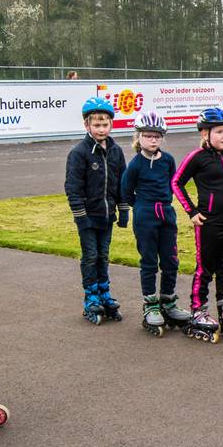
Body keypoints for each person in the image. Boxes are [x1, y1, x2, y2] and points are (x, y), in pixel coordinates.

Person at [172, 108, 223, 343]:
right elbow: (177, 182)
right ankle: (198, 311)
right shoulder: (197, 157)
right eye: (220, 131)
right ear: (205, 133)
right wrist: (192, 212)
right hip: (209, 223)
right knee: (204, 268)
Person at [119, 112, 191, 337]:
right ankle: (150, 303)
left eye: (157, 136)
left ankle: (168, 301)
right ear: (138, 137)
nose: (153, 140)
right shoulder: (135, 164)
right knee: (149, 261)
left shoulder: (168, 160)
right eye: (148, 136)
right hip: (145, 214)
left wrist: (164, 204)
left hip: (166, 214)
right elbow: (125, 191)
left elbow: (172, 182)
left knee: (170, 260)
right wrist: (141, 207)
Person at [65, 95, 128, 324]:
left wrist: (123, 211)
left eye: (105, 124)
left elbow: (122, 183)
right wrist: (80, 216)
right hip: (88, 217)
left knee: (103, 255)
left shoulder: (116, 151)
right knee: (90, 256)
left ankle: (104, 293)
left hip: (107, 216)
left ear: (111, 124)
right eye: (96, 125)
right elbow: (72, 187)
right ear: (86, 125)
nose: (101, 129)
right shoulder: (79, 153)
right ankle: (90, 296)